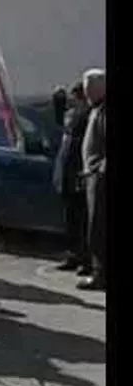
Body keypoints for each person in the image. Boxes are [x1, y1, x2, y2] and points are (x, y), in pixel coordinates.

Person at [53, 82, 90, 274]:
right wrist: (58, 100)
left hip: (79, 174)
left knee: (82, 220)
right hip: (66, 174)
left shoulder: (89, 114)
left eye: (76, 98)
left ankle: (85, 259)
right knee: (70, 220)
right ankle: (73, 256)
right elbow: (61, 121)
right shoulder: (73, 115)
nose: (73, 101)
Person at [78, 68, 106, 291]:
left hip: (100, 177)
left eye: (89, 88)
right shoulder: (96, 108)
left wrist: (100, 169)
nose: (86, 92)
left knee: (98, 227)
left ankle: (100, 275)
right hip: (93, 174)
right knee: (95, 225)